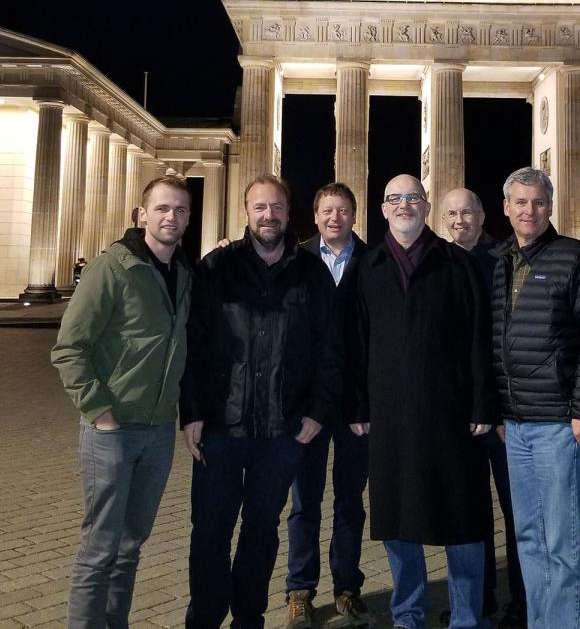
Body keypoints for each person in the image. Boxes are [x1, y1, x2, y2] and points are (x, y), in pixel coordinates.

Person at [181, 175, 342, 629]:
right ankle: (205, 617)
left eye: (276, 207)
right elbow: (194, 345)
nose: (268, 216)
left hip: (282, 429)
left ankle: (249, 617)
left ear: (289, 214)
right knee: (210, 531)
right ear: (246, 212)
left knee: (261, 530)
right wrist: (190, 412)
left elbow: (330, 349)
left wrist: (317, 410)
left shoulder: (312, 274)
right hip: (220, 427)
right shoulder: (216, 268)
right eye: (259, 208)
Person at [349, 174, 498, 629]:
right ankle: (408, 613)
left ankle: (468, 617)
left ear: (426, 206)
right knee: (397, 518)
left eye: (413, 198)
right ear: (383, 209)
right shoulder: (367, 265)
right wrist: (357, 406)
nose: (404, 206)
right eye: (395, 199)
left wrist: (482, 404)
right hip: (390, 413)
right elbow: (356, 342)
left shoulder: (456, 263)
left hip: (452, 413)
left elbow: (478, 338)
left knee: (464, 517)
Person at [51, 175, 194, 628]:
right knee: (99, 548)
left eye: (181, 210)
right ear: (141, 214)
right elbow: (69, 348)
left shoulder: (184, 275)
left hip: (157, 430)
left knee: (131, 545)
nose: (171, 217)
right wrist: (100, 412)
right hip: (112, 431)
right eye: (163, 209)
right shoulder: (111, 268)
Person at [489, 168, 580, 629]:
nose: (529, 210)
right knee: (528, 538)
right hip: (515, 424)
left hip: (561, 424)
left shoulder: (575, 258)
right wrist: (497, 411)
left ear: (551, 205)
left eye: (539, 202)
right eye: (520, 202)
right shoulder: (498, 259)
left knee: (562, 543)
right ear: (506, 207)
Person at [285, 183, 371, 629]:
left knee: (350, 500)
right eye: (326, 211)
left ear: (354, 216)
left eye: (342, 210)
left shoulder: (372, 261)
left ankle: (347, 588)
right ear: (314, 217)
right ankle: (299, 589)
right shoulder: (294, 259)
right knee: (304, 501)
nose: (334, 217)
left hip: (355, 407)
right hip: (307, 407)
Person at [440, 187, 527, 629]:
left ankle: (523, 602)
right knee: (470, 512)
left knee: (516, 513)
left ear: (482, 214)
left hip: (503, 412)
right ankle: (478, 600)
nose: (460, 221)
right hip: (458, 414)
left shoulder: (508, 258)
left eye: (468, 212)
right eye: (452, 213)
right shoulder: (437, 260)